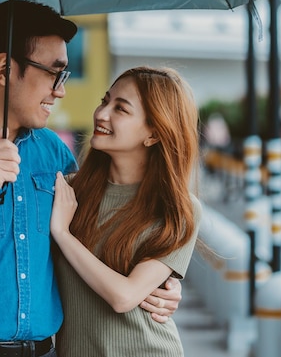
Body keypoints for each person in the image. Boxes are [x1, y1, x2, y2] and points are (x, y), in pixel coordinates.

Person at [0, 0, 180, 357]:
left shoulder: (53, 153)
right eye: (55, 72)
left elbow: (88, 241)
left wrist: (157, 280)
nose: (61, 90)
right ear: (5, 69)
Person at [50, 66, 202, 356]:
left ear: (154, 133)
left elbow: (124, 297)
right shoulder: (67, 193)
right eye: (105, 100)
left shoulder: (177, 209)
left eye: (121, 109)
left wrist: (62, 234)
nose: (101, 114)